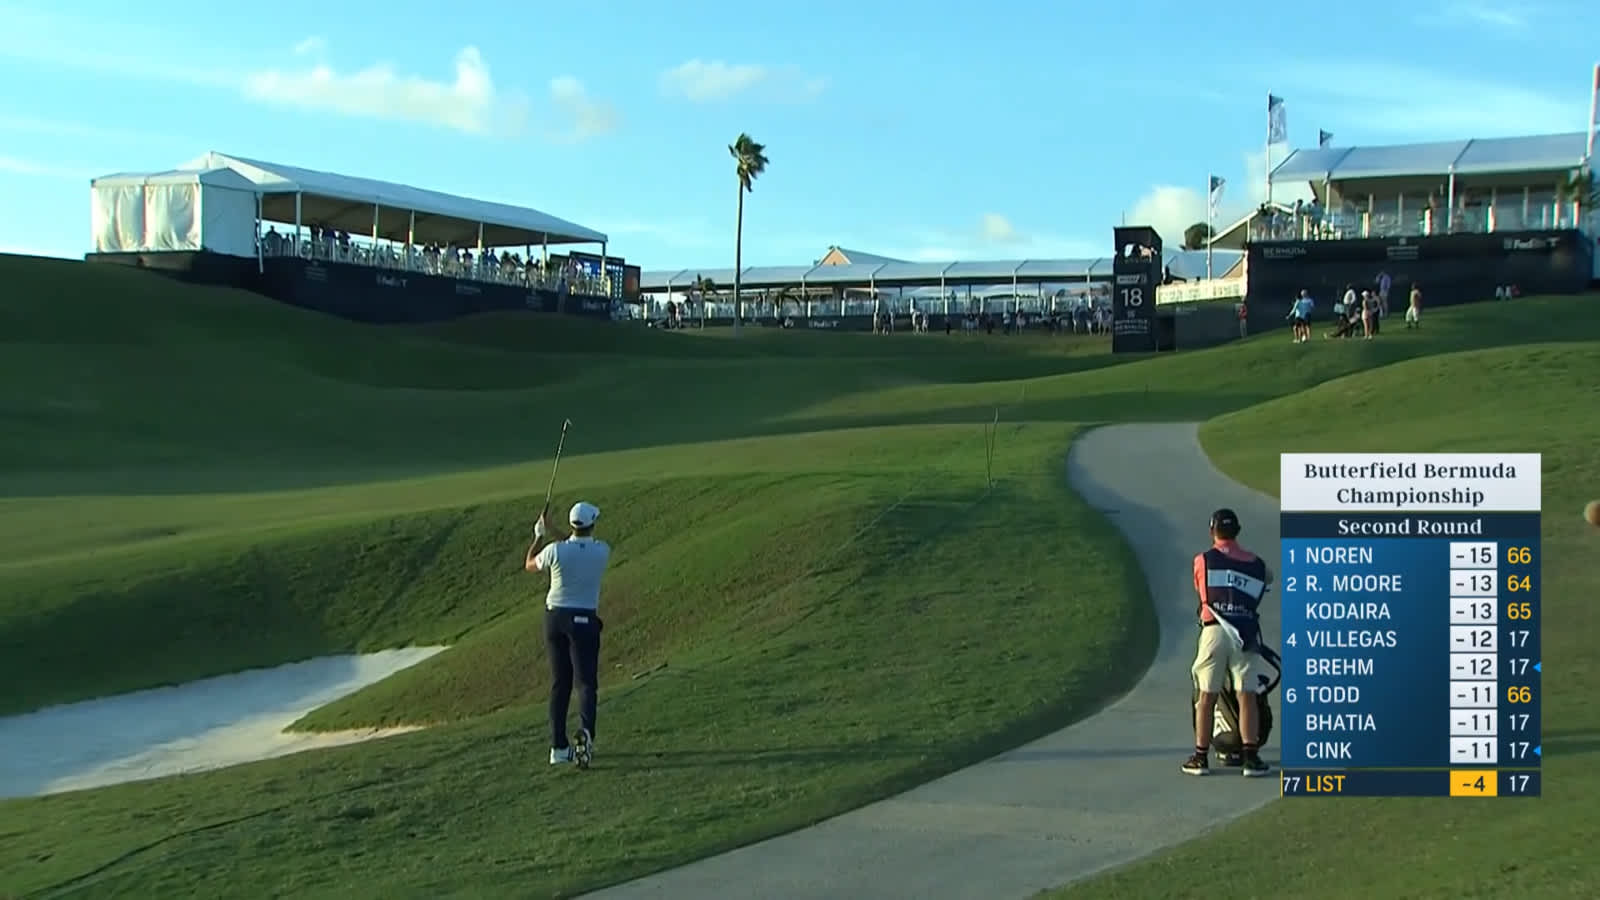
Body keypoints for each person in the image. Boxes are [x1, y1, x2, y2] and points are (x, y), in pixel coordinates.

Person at [1183, 508, 1274, 777]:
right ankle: (1251, 757)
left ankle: (1201, 758)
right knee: (1247, 696)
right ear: (1237, 531)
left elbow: (1200, 589)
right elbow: (1267, 579)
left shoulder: (1203, 560)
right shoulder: (1257, 564)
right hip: (1245, 633)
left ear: (1213, 530)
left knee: (1206, 696)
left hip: (1214, 630)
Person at [526, 501, 613, 768]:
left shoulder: (555, 551)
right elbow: (577, 545)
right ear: (592, 524)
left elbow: (530, 564)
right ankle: (586, 733)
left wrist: (539, 536)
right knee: (585, 683)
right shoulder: (601, 551)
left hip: (555, 619)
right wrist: (553, 530)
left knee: (560, 683)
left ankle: (558, 748)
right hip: (584, 621)